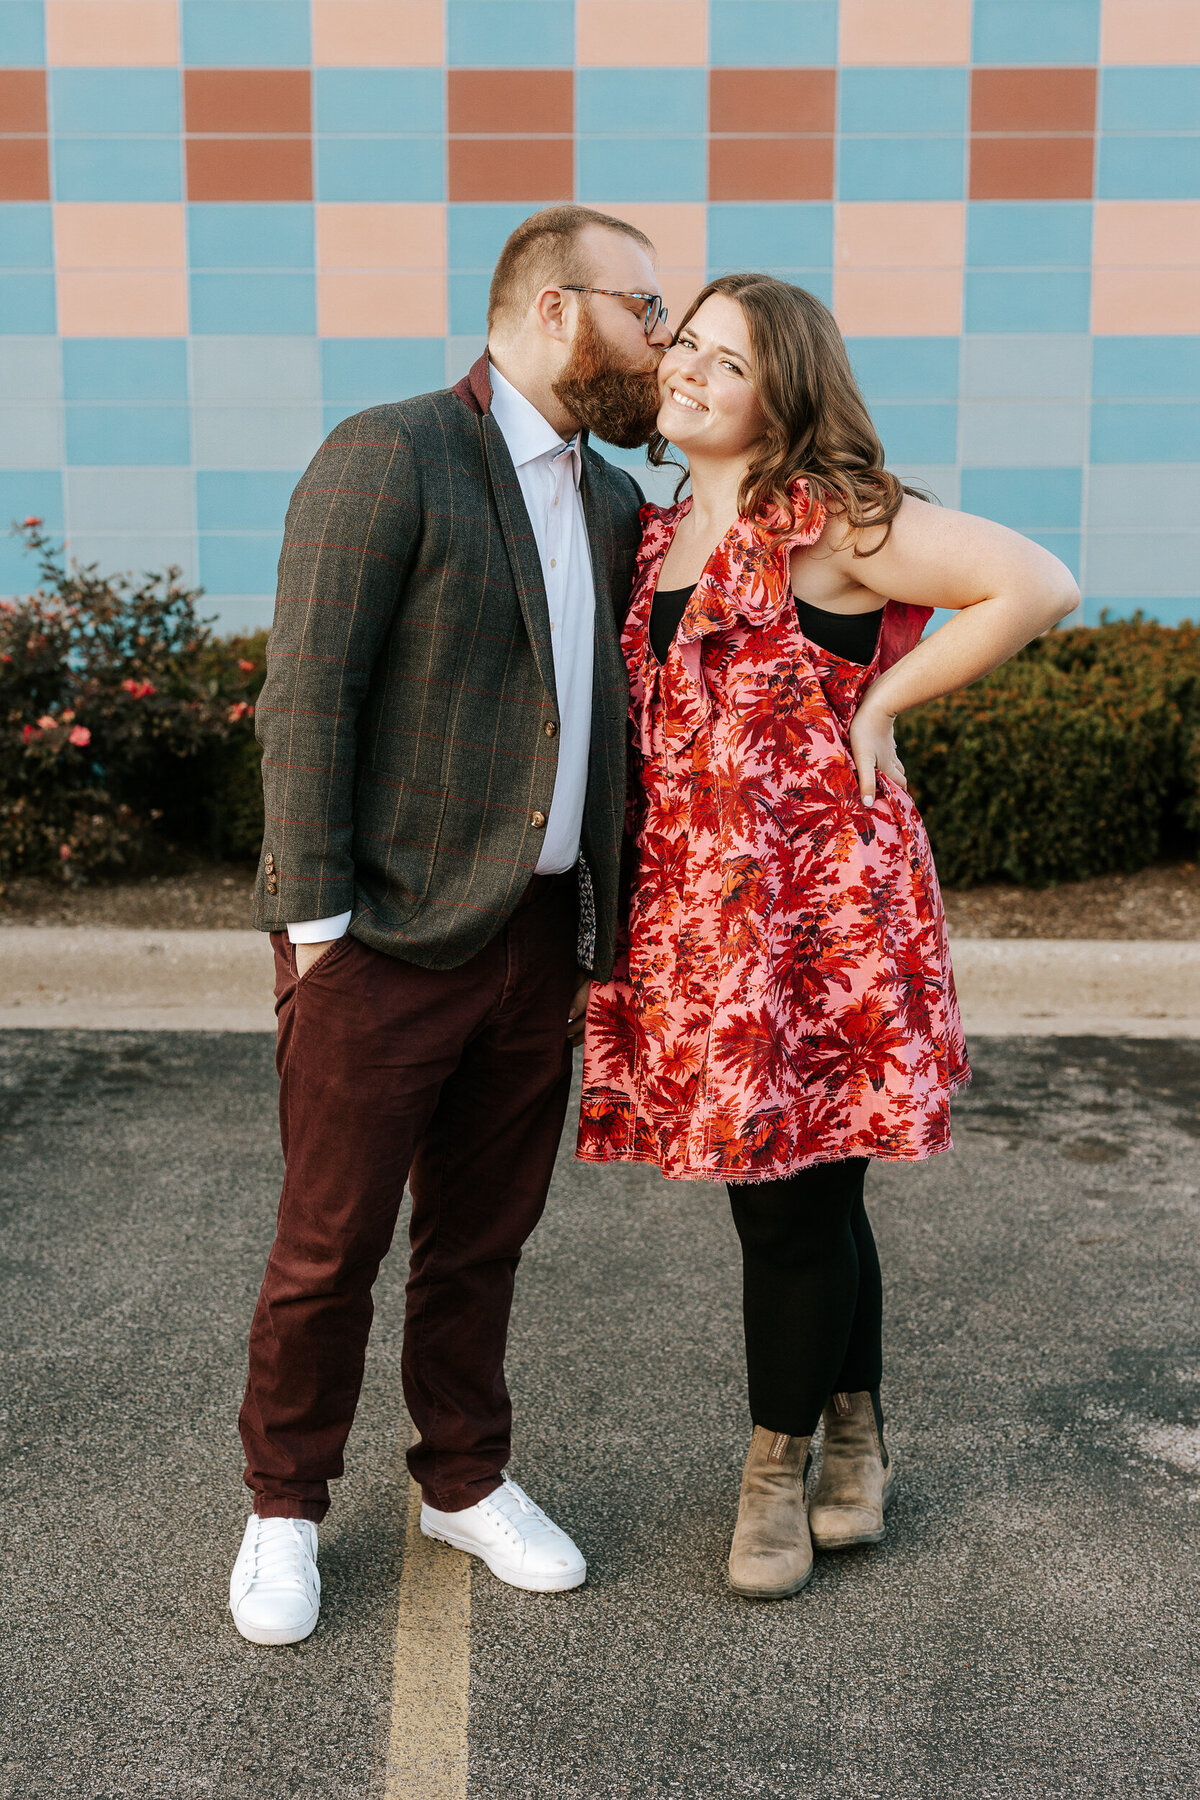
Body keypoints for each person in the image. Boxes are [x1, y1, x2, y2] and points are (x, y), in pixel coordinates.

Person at [577, 273, 1080, 1599]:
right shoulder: (660, 529)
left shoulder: (839, 520)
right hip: (702, 927)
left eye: (726, 360)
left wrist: (883, 704)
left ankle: (774, 1470)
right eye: (684, 341)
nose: (687, 368)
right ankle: (854, 1430)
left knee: (792, 1211)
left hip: (824, 922)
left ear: (783, 392)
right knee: (811, 1191)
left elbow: (1036, 582)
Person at [229, 205, 672, 1645]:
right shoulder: (392, 451)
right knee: (326, 1250)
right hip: (382, 947)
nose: (657, 340)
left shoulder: (614, 505)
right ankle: (285, 1510)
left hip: (541, 940)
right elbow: (308, 695)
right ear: (556, 308)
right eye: (643, 308)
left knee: (483, 1242)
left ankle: (462, 1480)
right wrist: (315, 931)